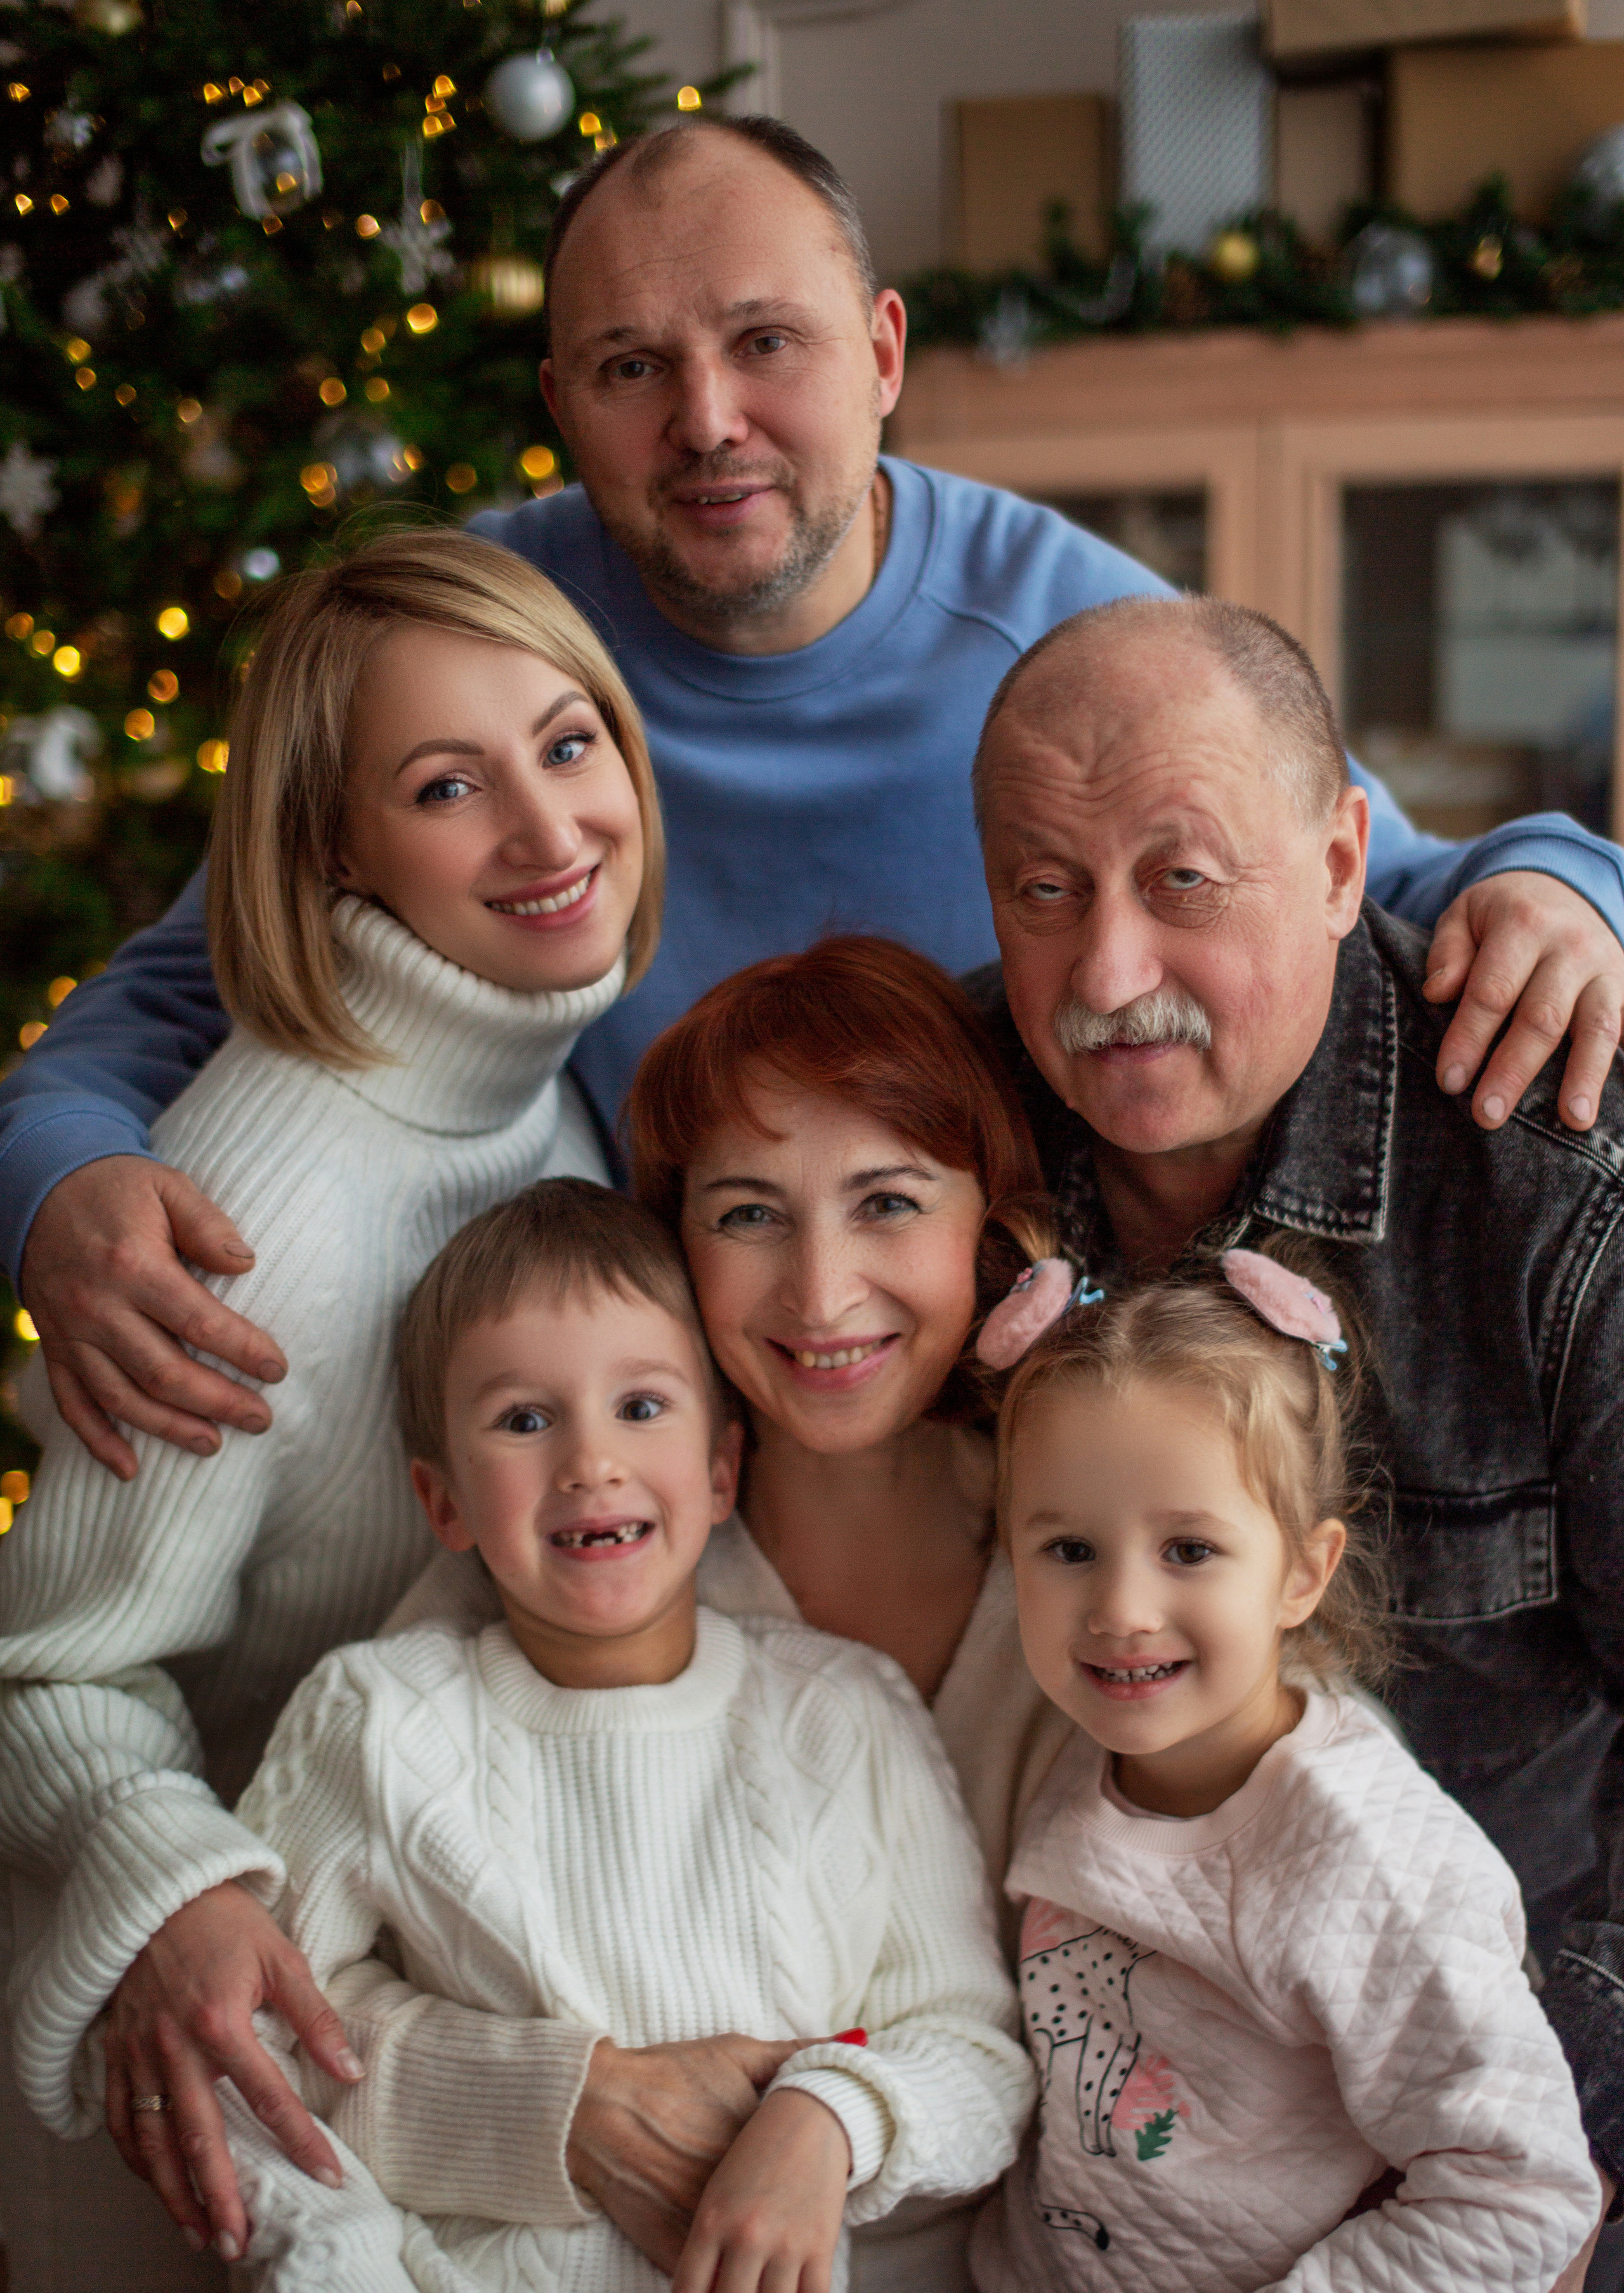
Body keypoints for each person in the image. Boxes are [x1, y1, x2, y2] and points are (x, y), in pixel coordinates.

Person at [8, 118, 1624, 1488]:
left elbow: (1365, 879)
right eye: (633, 367)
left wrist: (1566, 881)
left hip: (982, 1424)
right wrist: (61, 1184)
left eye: (764, 342)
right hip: (618, 1432)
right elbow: (192, 976)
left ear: (882, 354)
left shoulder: (1054, 631)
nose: (704, 419)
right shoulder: (481, 648)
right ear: (564, 406)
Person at [0, 528, 664, 2293]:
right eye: (449, 787)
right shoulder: (255, 1217)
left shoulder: (553, 1089)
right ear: (332, 856)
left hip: (377, 1995)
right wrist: (176, 1894)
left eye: (570, 746)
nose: (551, 831)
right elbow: (49, 1669)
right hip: (174, 2015)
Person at [964, 590, 1624, 2293]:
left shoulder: (1558, 1177)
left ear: (1344, 858)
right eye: (1039, 889)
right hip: (1079, 2236)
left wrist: (1576, 2200)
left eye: (1186, 878)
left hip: (1513, 2188)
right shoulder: (943, 1137)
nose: (1103, 976)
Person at [301, 939, 1075, 2293]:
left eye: (889, 1204)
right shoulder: (558, 1571)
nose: (822, 1288)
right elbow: (293, 2015)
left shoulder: (1097, 1547)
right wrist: (551, 2101)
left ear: (994, 1230)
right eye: (745, 1217)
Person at [936, 1250, 1597, 2293]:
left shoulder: (1363, 1854)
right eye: (1069, 1549)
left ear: (1302, 1569)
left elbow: (1520, 2184)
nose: (1122, 1607)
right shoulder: (1084, 1759)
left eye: (1189, 1549)